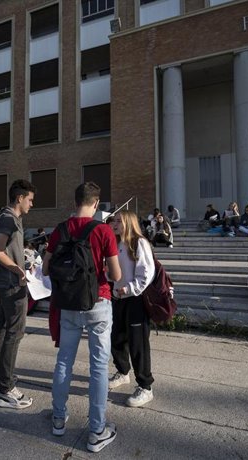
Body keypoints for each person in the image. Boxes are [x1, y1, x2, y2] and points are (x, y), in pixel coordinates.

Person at [42, 182, 121, 453]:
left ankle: (58, 419)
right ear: (96, 203)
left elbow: (45, 266)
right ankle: (97, 430)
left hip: (67, 303)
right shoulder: (103, 230)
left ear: (75, 201)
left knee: (64, 360)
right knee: (98, 366)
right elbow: (116, 275)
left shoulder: (60, 229)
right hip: (98, 301)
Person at [0, 179, 36, 409]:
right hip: (12, 284)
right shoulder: (8, 218)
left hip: (4, 282)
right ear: (20, 198)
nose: (31, 204)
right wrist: (17, 268)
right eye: (30, 200)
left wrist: (21, 260)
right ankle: (6, 390)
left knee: (2, 327)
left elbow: (3, 249)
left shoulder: (3, 216)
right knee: (14, 333)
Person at [108, 209, 156, 410]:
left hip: (135, 299)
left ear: (129, 222)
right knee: (116, 337)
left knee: (138, 344)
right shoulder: (116, 243)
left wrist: (129, 288)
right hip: (117, 298)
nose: (115, 223)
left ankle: (145, 386)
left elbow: (147, 272)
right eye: (114, 221)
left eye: (119, 221)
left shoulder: (139, 242)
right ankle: (123, 371)